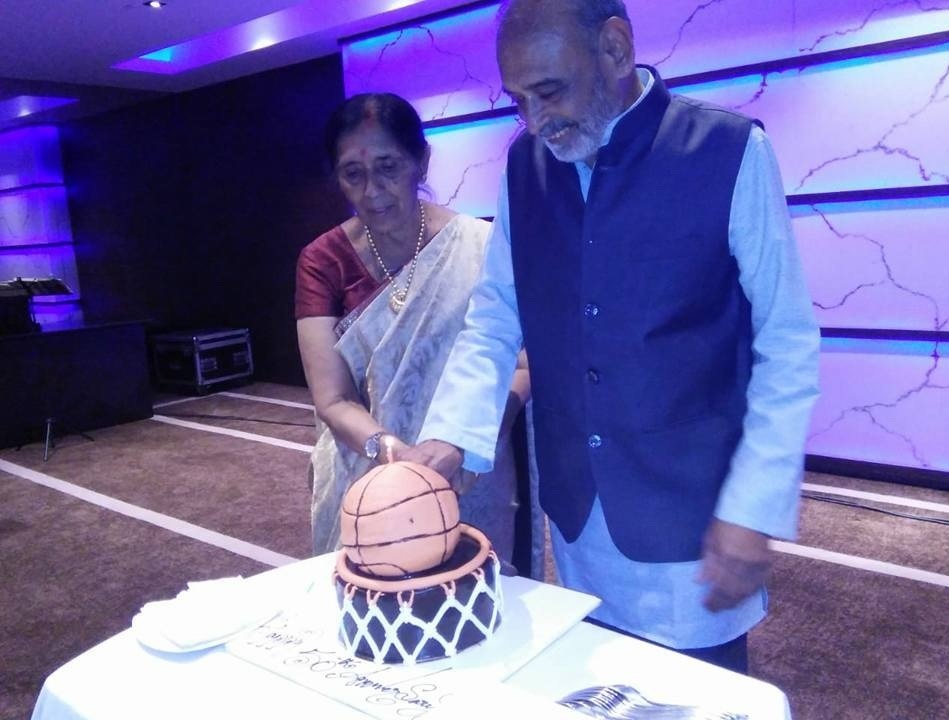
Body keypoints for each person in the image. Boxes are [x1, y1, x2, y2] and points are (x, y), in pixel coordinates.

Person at [397, 0, 820, 674]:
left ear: (615, 50)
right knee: (596, 686)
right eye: (518, 100)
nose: (534, 120)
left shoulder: (730, 151)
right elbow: (497, 312)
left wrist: (755, 502)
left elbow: (787, 342)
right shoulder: (523, 167)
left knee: (701, 698)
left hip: (695, 515)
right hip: (579, 509)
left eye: (549, 91)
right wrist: (451, 434)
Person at [295, 92, 530, 563]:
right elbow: (332, 398)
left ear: (420, 162)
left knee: (474, 602)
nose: (373, 191)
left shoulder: (480, 246)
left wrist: (462, 442)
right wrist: (394, 454)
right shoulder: (323, 261)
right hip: (367, 473)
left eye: (388, 167)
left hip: (471, 467)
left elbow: (522, 365)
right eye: (353, 174)